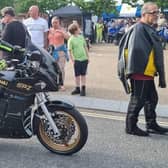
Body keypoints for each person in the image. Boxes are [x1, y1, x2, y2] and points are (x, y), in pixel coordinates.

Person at [118, 2, 168, 136]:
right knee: (138, 98)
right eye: (154, 12)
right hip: (141, 71)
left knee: (152, 98)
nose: (156, 15)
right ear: (144, 14)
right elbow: (137, 52)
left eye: (157, 12)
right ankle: (130, 126)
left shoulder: (146, 27)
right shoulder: (140, 28)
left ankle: (151, 124)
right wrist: (139, 71)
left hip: (147, 71)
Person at [48, 16, 69, 91]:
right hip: (51, 52)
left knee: (61, 68)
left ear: (59, 22)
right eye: (53, 22)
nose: (54, 24)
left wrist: (62, 32)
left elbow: (68, 38)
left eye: (56, 22)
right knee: (52, 68)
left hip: (60, 51)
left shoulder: (62, 30)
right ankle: (53, 83)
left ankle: (61, 84)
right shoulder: (49, 30)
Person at [68, 23, 89, 96]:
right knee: (77, 75)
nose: (79, 29)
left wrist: (87, 57)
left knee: (83, 75)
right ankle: (77, 88)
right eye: (78, 28)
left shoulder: (81, 37)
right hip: (77, 60)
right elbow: (70, 50)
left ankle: (83, 89)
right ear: (75, 30)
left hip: (84, 59)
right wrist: (72, 60)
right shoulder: (71, 40)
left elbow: (85, 47)